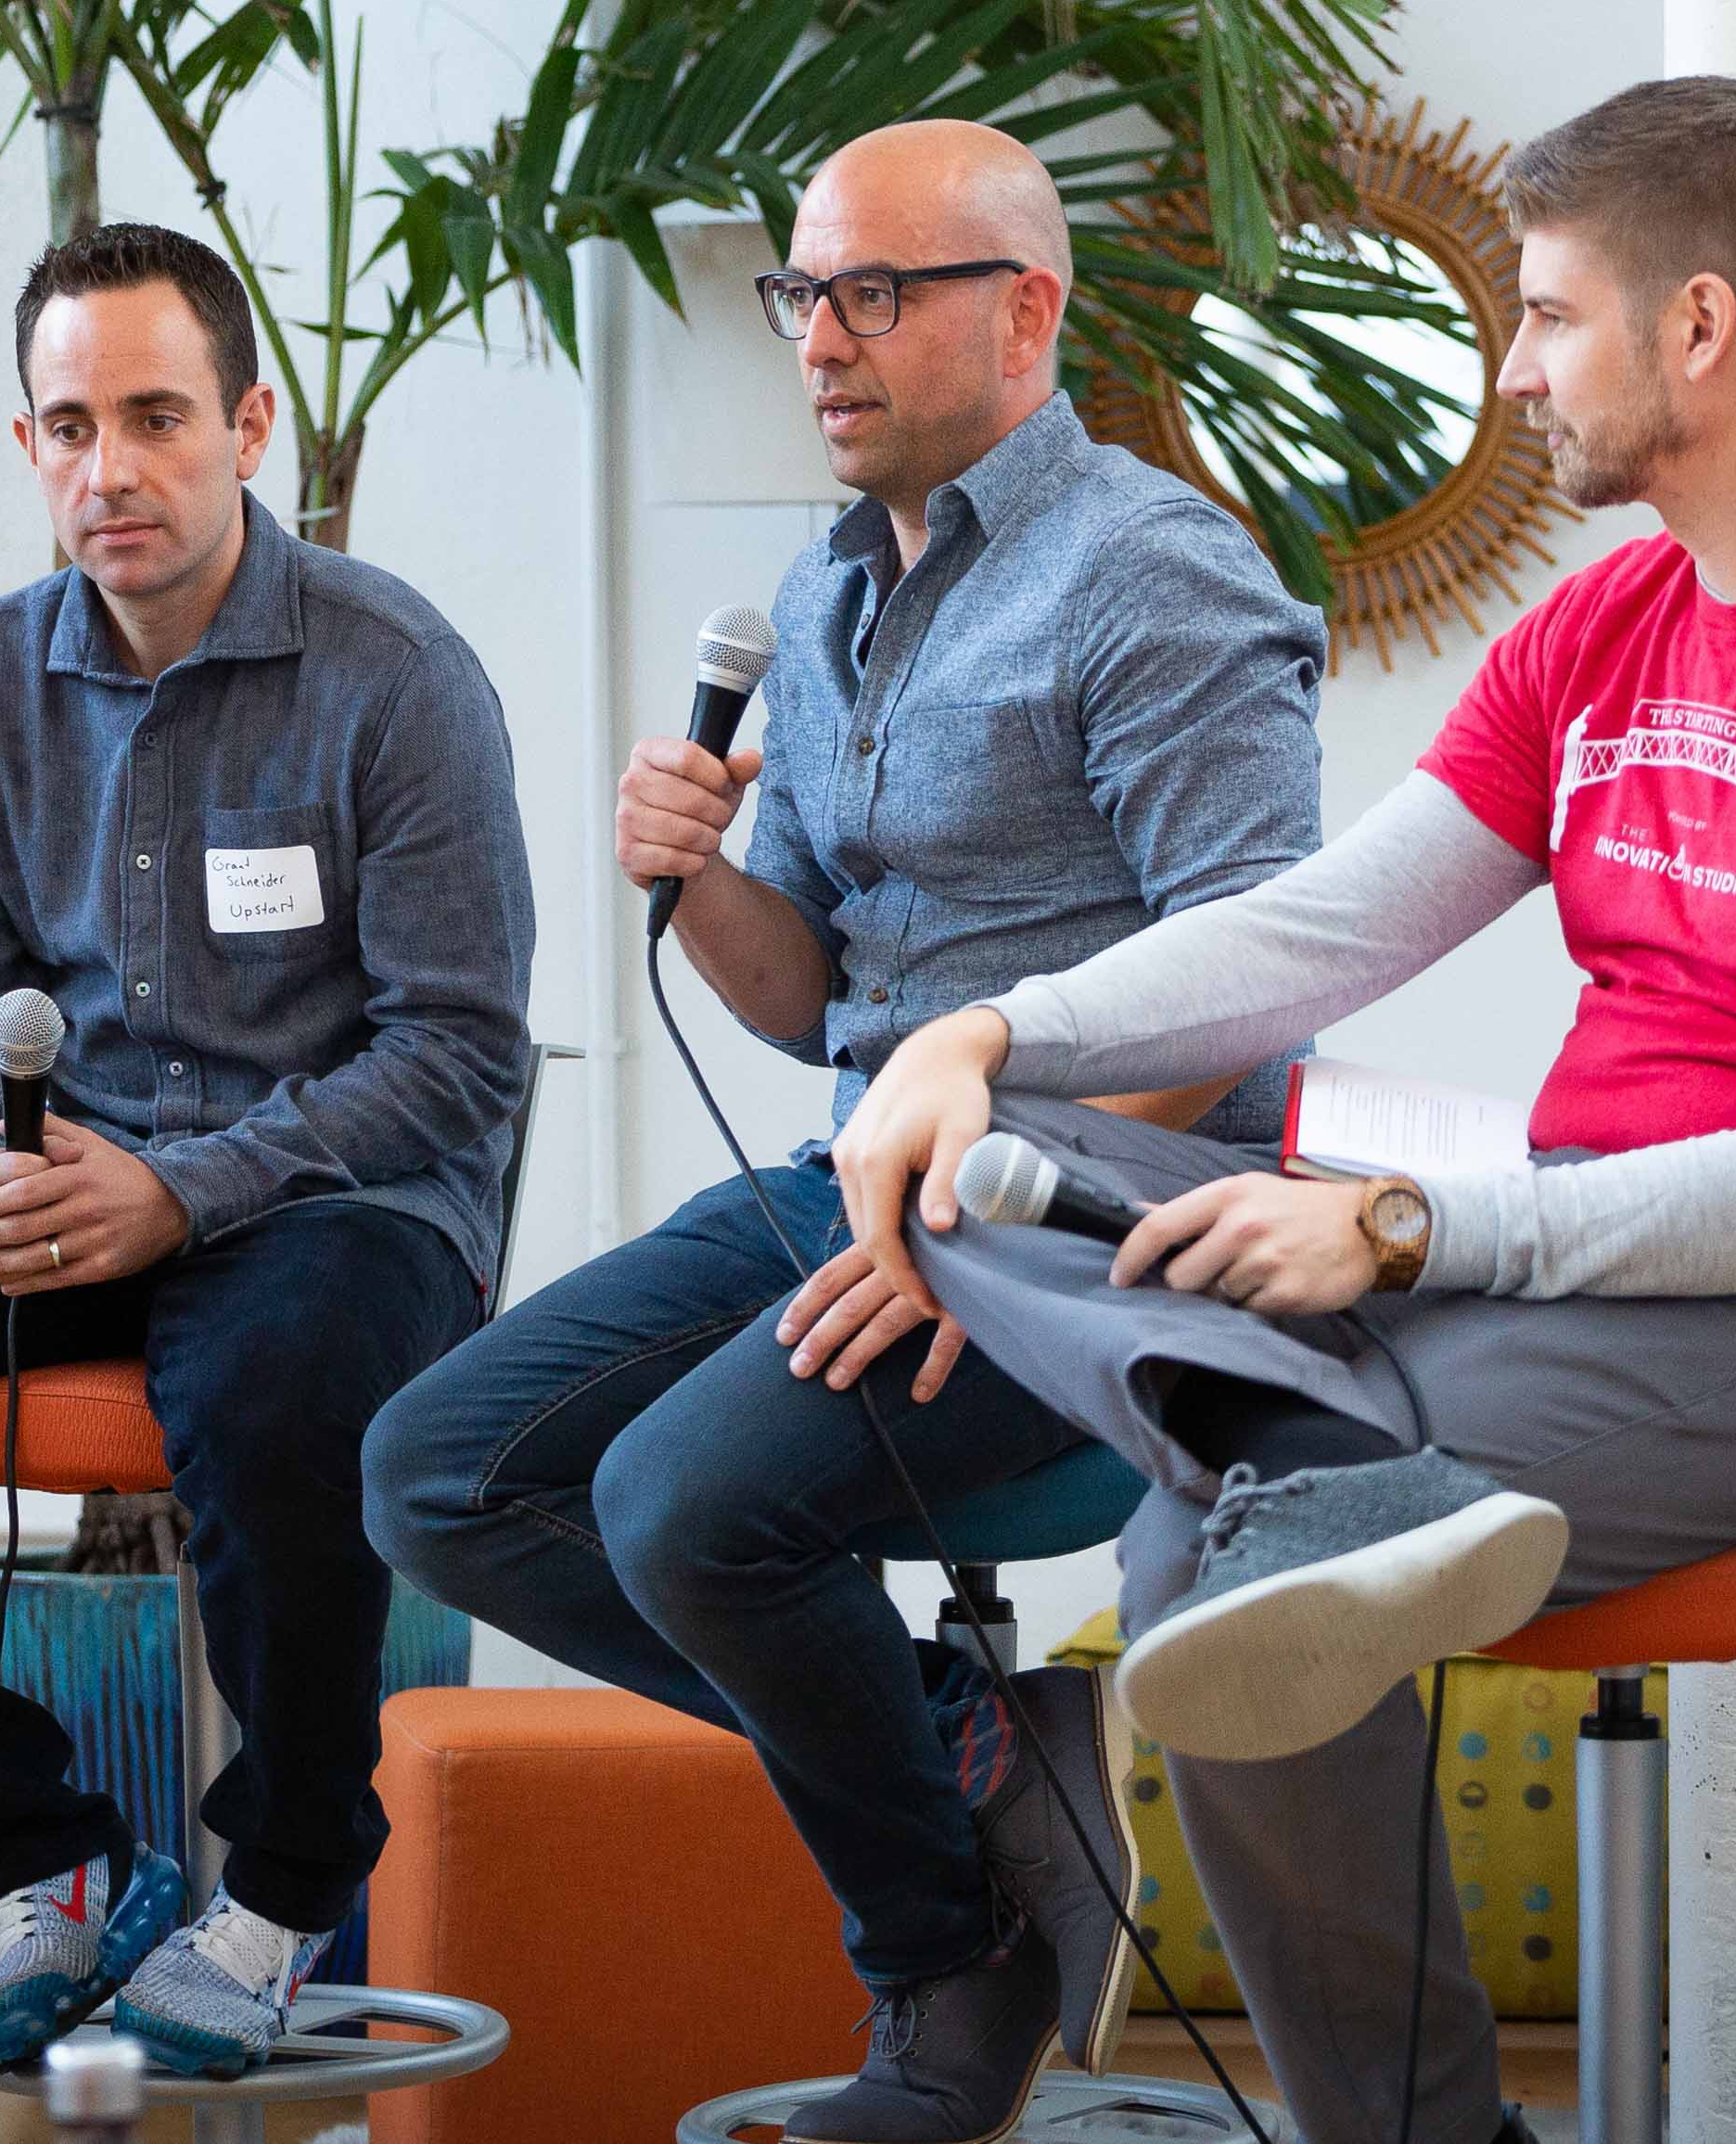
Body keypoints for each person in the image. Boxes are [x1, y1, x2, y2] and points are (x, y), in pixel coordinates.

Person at [828, 77, 1736, 2144]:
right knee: (985, 1173)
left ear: (1696, 326)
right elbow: (1324, 929)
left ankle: (1418, 2121)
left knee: (1192, 1562)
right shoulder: (1607, 618)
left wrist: (1404, 1235)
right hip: (1573, 1244)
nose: (1510, 364)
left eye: (1543, 313)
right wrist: (992, 1029)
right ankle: (1293, 1442)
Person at [366, 120, 1332, 2141]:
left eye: (873, 292)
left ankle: (940, 1967)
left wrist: (981, 1201)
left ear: (1024, 312)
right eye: (803, 291)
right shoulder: (821, 598)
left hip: (1101, 1220)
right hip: (851, 1168)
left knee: (682, 1499)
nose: (819, 337)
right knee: (437, 1466)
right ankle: (976, 1750)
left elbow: (1254, 973)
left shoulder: (1153, 569)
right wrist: (696, 872)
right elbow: (805, 996)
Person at [0, 223, 539, 2080]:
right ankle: (29, 1843)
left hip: (338, 1197)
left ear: (247, 423)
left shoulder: (395, 673)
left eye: (153, 415)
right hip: (69, 1182)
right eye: (68, 423)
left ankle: (285, 1886)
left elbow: (456, 1046)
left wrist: (187, 1189)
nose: (108, 466)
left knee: (278, 1381)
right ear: (28, 441)